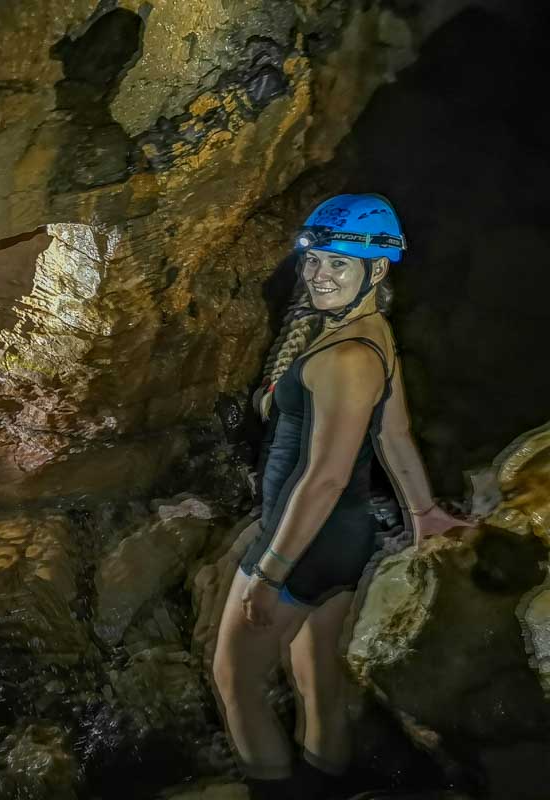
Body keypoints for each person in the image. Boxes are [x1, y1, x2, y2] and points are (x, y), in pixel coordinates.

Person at [211, 194, 467, 799]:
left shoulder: (346, 357)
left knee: (235, 679)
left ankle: (275, 793)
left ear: (375, 271)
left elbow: (323, 477)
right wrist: (424, 513)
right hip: (346, 539)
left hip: (305, 541)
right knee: (317, 679)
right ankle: (331, 785)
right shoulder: (374, 335)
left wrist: (271, 572)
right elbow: (393, 432)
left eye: (339, 266)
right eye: (315, 262)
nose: (320, 276)